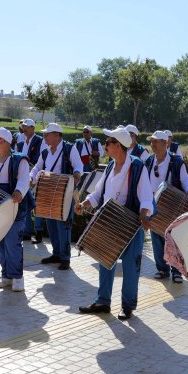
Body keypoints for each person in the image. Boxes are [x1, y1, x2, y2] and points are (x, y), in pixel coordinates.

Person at [76, 127, 154, 320]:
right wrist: (85, 203)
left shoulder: (137, 166)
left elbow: (146, 196)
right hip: (109, 221)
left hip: (130, 223)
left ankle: (127, 306)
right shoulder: (111, 165)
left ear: (118, 145)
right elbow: (98, 192)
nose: (105, 146)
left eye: (108, 142)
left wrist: (144, 215)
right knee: (105, 261)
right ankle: (103, 302)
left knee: (130, 266)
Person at [145, 131, 188, 283]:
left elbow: (185, 180)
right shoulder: (149, 161)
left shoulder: (176, 161)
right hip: (153, 204)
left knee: (174, 239)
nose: (152, 144)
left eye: (155, 141)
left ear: (165, 143)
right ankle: (162, 269)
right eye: (151, 141)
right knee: (156, 236)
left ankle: (177, 271)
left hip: (172, 205)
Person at [31, 123, 83, 270]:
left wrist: (77, 174)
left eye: (47, 134)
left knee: (64, 225)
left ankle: (65, 258)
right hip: (49, 191)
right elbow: (37, 168)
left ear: (57, 135)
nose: (44, 137)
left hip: (64, 193)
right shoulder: (45, 152)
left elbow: (79, 166)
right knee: (51, 224)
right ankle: (56, 254)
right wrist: (31, 178)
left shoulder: (69, 148)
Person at [0, 127, 32, 291]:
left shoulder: (19, 160)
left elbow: (24, 180)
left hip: (14, 209)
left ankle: (17, 278)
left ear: (2, 141)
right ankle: (6, 276)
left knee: (12, 243)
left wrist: (19, 191)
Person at [15, 119, 44, 242]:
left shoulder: (40, 141)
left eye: (27, 126)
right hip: (24, 178)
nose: (24, 129)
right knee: (25, 204)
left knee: (37, 205)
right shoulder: (21, 144)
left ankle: (38, 232)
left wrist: (35, 176)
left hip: (36, 177)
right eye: (23, 127)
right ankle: (26, 232)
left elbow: (43, 160)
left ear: (33, 128)